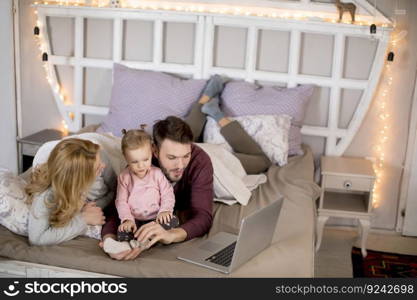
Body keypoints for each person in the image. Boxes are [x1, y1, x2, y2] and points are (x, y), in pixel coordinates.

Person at [102, 126, 179, 254]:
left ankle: (143, 241)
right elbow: (121, 202)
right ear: (126, 158)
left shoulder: (157, 174)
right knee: (122, 230)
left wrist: (165, 211)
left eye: (145, 160)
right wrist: (127, 219)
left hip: (155, 219)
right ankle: (128, 243)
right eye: (135, 162)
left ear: (152, 153)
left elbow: (167, 194)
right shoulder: (124, 177)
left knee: (172, 221)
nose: (141, 165)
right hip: (135, 220)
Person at [25, 138, 106, 246]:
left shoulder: (81, 181)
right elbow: (37, 239)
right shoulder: (46, 196)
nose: (104, 166)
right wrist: (83, 219)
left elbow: (110, 195)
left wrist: (88, 208)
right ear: (79, 179)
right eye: (97, 168)